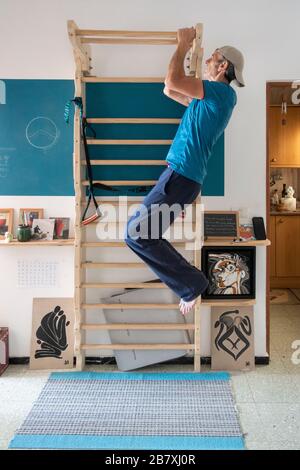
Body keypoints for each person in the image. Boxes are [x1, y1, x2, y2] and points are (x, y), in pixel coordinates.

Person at [125, 27, 245, 315]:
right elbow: (170, 88)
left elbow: (172, 79)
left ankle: (191, 284)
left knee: (137, 234)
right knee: (141, 235)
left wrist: (182, 45)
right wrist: (188, 53)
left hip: (181, 177)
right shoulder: (206, 100)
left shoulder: (220, 92)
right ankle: (190, 283)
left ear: (223, 66)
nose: (207, 62)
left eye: (212, 58)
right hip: (180, 178)